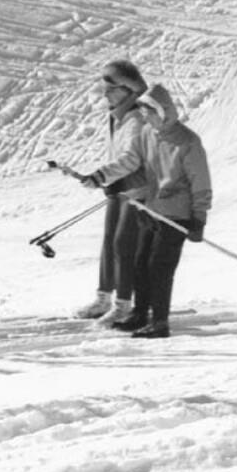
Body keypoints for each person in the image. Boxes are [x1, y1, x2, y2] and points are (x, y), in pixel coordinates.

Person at [108, 85, 212, 338]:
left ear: (163, 112)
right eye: (143, 113)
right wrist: (124, 186)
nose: (145, 118)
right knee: (140, 263)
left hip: (176, 214)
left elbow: (201, 182)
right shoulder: (147, 133)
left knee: (159, 268)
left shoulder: (188, 141)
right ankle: (140, 313)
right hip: (151, 209)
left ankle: (160, 322)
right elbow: (142, 168)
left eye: (149, 113)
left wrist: (199, 219)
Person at [74, 61, 155, 319]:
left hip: (138, 190)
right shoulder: (118, 117)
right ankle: (103, 299)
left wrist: (101, 177)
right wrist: (109, 181)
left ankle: (123, 305)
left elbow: (131, 159)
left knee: (124, 244)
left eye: (112, 89)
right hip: (121, 188)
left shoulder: (136, 119)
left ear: (129, 91)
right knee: (110, 241)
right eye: (104, 89)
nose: (105, 94)